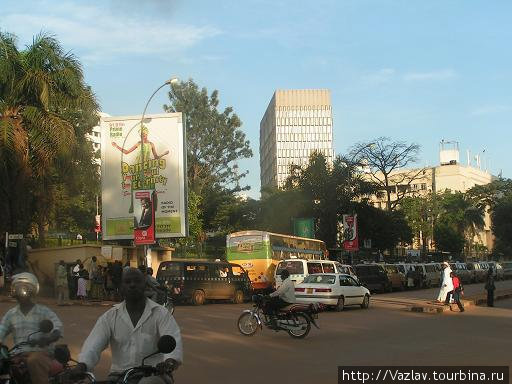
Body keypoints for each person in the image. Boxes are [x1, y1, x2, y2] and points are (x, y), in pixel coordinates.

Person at [73, 268, 183, 383]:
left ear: (145, 285)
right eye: (127, 282)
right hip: (119, 376)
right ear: (121, 287)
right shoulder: (109, 317)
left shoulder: (161, 314)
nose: (132, 285)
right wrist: (82, 365)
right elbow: (93, 345)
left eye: (137, 281)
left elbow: (173, 340)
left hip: (154, 374)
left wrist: (169, 362)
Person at [0, 272, 63, 384]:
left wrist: (47, 339)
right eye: (18, 289)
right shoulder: (11, 314)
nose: (21, 292)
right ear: (14, 291)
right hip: (18, 354)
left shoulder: (43, 311)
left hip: (41, 353)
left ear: (33, 291)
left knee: (34, 360)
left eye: (25, 289)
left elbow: (57, 328)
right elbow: (2, 329)